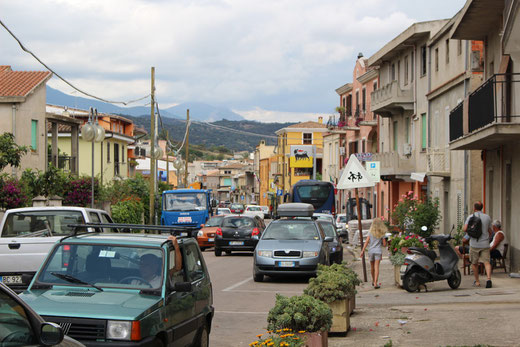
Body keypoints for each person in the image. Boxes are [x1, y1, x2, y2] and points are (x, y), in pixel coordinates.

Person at [463, 201, 493, 288]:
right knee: (487, 262)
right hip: (485, 244)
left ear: (474, 208)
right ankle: (488, 279)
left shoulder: (471, 217)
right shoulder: (487, 217)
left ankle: (477, 281)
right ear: (482, 208)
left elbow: (465, 229)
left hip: (474, 243)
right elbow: (490, 231)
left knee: (474, 263)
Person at [360, 218, 388, 289]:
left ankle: (373, 280)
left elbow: (366, 241)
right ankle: (375, 283)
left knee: (372, 267)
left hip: (371, 251)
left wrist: (362, 250)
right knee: (377, 267)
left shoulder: (370, 232)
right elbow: (384, 244)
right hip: (378, 251)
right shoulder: (382, 232)